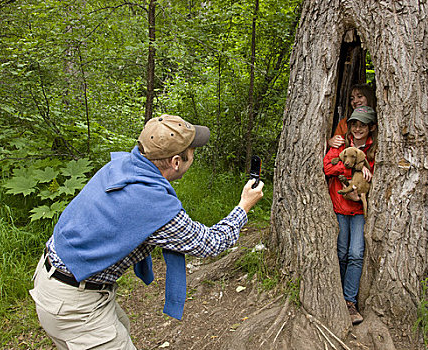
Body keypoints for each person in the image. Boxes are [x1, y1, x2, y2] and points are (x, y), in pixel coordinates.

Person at [29, 114, 264, 349]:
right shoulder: (152, 204)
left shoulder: (122, 166)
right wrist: (244, 206)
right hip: (74, 304)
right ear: (175, 162)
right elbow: (210, 243)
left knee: (122, 327)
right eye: (192, 152)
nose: (194, 156)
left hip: (56, 278)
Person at [323, 106, 377, 325]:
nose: (357, 128)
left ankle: (349, 301)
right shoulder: (341, 145)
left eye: (363, 125)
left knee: (356, 253)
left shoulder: (375, 150)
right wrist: (352, 170)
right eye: (354, 124)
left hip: (359, 210)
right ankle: (339, 297)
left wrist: (364, 183)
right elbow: (328, 167)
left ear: (371, 128)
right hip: (339, 205)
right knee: (342, 252)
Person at [328, 83, 376, 148]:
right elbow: (336, 147)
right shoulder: (344, 123)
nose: (355, 101)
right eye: (352, 98)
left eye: (359, 96)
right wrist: (330, 142)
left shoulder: (380, 121)